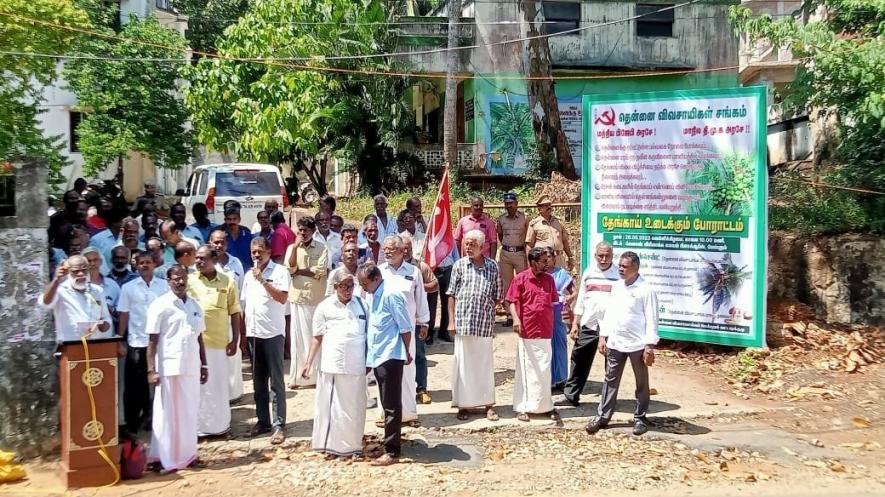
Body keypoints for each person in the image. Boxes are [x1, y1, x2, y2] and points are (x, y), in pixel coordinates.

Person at [586, 251, 659, 437]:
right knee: (610, 380)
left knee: (641, 382)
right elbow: (609, 314)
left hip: (638, 344)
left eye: (624, 266)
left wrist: (649, 345)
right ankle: (602, 417)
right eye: (620, 265)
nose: (620, 269)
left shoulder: (646, 290)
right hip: (616, 342)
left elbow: (652, 318)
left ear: (635, 268)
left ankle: (640, 417)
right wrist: (603, 336)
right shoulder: (617, 287)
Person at [145, 265, 207, 473]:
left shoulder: (195, 305)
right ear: (168, 280)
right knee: (167, 414)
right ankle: (165, 457)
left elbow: (199, 337)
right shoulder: (160, 305)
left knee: (189, 412)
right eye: (176, 279)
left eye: (183, 278)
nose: (180, 282)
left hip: (191, 366)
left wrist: (204, 363)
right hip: (168, 366)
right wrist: (151, 370)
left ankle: (189, 455)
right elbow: (152, 341)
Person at [303, 272, 368, 459]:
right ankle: (332, 447)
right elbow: (317, 337)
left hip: (356, 365)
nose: (347, 290)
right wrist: (308, 363)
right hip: (333, 365)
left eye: (351, 286)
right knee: (334, 409)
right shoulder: (325, 307)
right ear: (335, 287)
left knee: (355, 407)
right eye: (343, 286)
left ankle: (353, 446)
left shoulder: (362, 305)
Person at [357, 263, 413, 466]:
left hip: (390, 355)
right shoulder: (373, 294)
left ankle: (392, 451)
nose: (362, 287)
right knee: (386, 403)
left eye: (364, 283)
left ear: (376, 279)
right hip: (379, 355)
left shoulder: (391, 295)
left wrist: (406, 351)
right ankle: (389, 442)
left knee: (391, 405)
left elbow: (405, 327)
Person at [446, 229, 502, 421]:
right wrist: (451, 321)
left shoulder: (492, 266)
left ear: (482, 246)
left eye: (472, 244)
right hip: (462, 322)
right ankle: (464, 405)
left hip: (484, 323)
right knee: (463, 365)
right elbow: (452, 294)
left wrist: (484, 308)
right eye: (466, 243)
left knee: (484, 365)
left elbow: (497, 294)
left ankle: (488, 405)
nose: (468, 247)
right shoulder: (459, 266)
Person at [189, 246, 242, 437]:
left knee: (219, 386)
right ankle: (199, 429)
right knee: (200, 388)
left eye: (203, 258)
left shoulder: (227, 281)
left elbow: (234, 311)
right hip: (196, 345)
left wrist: (235, 339)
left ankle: (220, 427)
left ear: (214, 259)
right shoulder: (190, 280)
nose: (198, 262)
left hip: (220, 342)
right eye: (197, 258)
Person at [242, 237, 290, 444]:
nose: (256, 255)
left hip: (273, 334)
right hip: (254, 335)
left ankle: (279, 424)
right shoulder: (247, 276)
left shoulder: (279, 272)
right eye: (253, 252)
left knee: (276, 382)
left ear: (269, 252)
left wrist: (262, 280)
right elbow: (245, 307)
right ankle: (263, 421)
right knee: (258, 382)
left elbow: (282, 298)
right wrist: (244, 336)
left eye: (260, 251)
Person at [378, 235, 428, 426]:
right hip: (384, 330)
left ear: (402, 251)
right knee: (385, 372)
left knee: (408, 369)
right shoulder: (379, 272)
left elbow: (421, 299)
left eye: (391, 248)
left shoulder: (413, 272)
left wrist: (424, 323)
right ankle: (386, 414)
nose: (387, 252)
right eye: (385, 248)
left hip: (407, 330)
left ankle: (408, 413)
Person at [118, 251, 169, 434]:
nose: (145, 265)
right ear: (136, 266)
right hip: (137, 341)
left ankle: (154, 419)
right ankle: (133, 422)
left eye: (148, 262)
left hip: (160, 341)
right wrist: (119, 340)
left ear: (154, 264)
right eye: (141, 263)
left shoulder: (164, 286)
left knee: (158, 383)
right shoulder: (128, 288)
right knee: (135, 386)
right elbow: (124, 314)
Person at [506, 247, 559, 423]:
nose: (547, 264)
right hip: (526, 330)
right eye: (543, 261)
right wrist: (516, 319)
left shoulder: (549, 280)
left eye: (548, 260)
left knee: (544, 371)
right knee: (526, 370)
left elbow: (554, 302)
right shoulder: (520, 279)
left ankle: (546, 406)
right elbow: (512, 301)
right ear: (533, 262)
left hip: (545, 330)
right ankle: (523, 407)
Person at [563, 242, 619, 407]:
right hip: (589, 324)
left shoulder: (618, 275)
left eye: (607, 256)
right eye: (600, 256)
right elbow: (581, 300)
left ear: (612, 256)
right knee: (579, 359)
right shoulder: (589, 272)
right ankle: (571, 396)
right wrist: (575, 323)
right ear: (595, 255)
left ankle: (608, 401)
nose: (603, 259)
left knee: (612, 364)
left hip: (611, 327)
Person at [284, 216, 329, 388]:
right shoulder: (292, 247)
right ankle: (297, 377)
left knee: (316, 336)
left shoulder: (322, 247)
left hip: (317, 298)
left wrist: (300, 271)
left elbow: (321, 270)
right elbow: (290, 268)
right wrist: (295, 247)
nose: (302, 233)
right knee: (298, 338)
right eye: (300, 230)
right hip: (298, 298)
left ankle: (316, 376)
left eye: (306, 230)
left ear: (313, 231)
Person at [208, 229, 245, 401]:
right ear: (210, 242)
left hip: (233, 316)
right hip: (212, 319)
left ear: (226, 243)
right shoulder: (204, 264)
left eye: (222, 242)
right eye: (215, 242)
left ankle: (234, 393)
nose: (219, 245)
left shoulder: (235, 263)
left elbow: (242, 292)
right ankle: (216, 393)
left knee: (233, 353)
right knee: (214, 356)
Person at [41, 255, 113, 342]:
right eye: (76, 271)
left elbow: (106, 318)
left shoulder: (97, 290)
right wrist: (56, 280)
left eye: (84, 270)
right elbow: (46, 303)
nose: (81, 274)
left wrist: (103, 325)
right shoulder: (60, 291)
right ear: (68, 273)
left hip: (95, 343)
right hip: (70, 346)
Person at [401, 236, 438, 404]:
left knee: (420, 354)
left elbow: (435, 284)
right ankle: (402, 390)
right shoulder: (390, 268)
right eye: (403, 247)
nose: (406, 249)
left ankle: (421, 388)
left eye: (408, 247)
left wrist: (417, 287)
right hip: (399, 321)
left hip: (417, 319)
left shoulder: (420, 266)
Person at [545, 247, 576, 391]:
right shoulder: (538, 273)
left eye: (549, 257)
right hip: (543, 312)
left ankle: (562, 378)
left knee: (560, 343)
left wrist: (566, 301)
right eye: (543, 258)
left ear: (554, 258)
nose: (546, 261)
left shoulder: (561, 274)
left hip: (558, 312)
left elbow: (574, 292)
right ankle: (548, 379)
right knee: (546, 345)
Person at [496, 192, 528, 326]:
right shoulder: (501, 219)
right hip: (506, 254)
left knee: (522, 284)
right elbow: (500, 235)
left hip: (520, 253)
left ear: (516, 204)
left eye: (511, 203)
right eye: (506, 203)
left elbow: (528, 236)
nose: (509, 206)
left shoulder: (525, 218)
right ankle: (509, 315)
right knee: (507, 285)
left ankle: (522, 313)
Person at [526, 195, 575, 271]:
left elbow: (565, 241)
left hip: (559, 258)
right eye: (545, 205)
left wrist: (570, 257)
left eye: (549, 205)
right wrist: (530, 262)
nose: (549, 207)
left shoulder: (558, 222)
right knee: (544, 282)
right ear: (539, 209)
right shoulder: (534, 224)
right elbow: (529, 246)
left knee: (561, 281)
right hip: (543, 260)